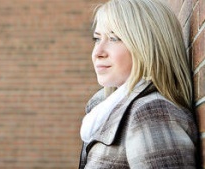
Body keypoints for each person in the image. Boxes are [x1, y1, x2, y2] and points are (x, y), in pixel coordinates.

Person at [78, 0, 199, 168]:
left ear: (147, 45)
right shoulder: (102, 111)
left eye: (114, 38)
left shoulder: (153, 112)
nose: (98, 52)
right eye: (97, 39)